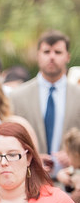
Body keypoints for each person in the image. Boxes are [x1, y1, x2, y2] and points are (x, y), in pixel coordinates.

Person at [8, 31, 80, 170]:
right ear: (38, 56)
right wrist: (30, 156)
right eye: (47, 52)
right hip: (29, 178)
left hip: (71, 179)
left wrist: (74, 154)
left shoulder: (78, 95)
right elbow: (10, 137)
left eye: (58, 52)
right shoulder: (17, 96)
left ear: (67, 57)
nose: (52, 57)